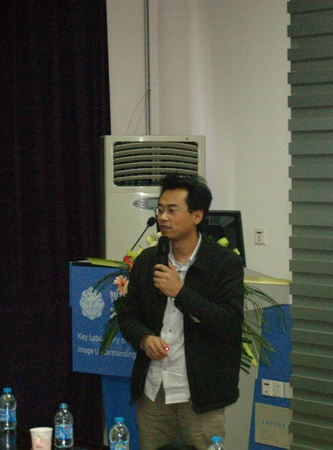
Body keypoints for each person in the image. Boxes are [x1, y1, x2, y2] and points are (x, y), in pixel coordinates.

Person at [118, 173, 244, 450]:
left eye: (172, 210)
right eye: (160, 209)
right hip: (154, 390)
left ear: (197, 216)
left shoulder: (224, 263)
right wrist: (144, 338)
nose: (163, 217)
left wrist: (180, 292)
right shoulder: (149, 260)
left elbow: (229, 323)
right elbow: (127, 315)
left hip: (199, 395)